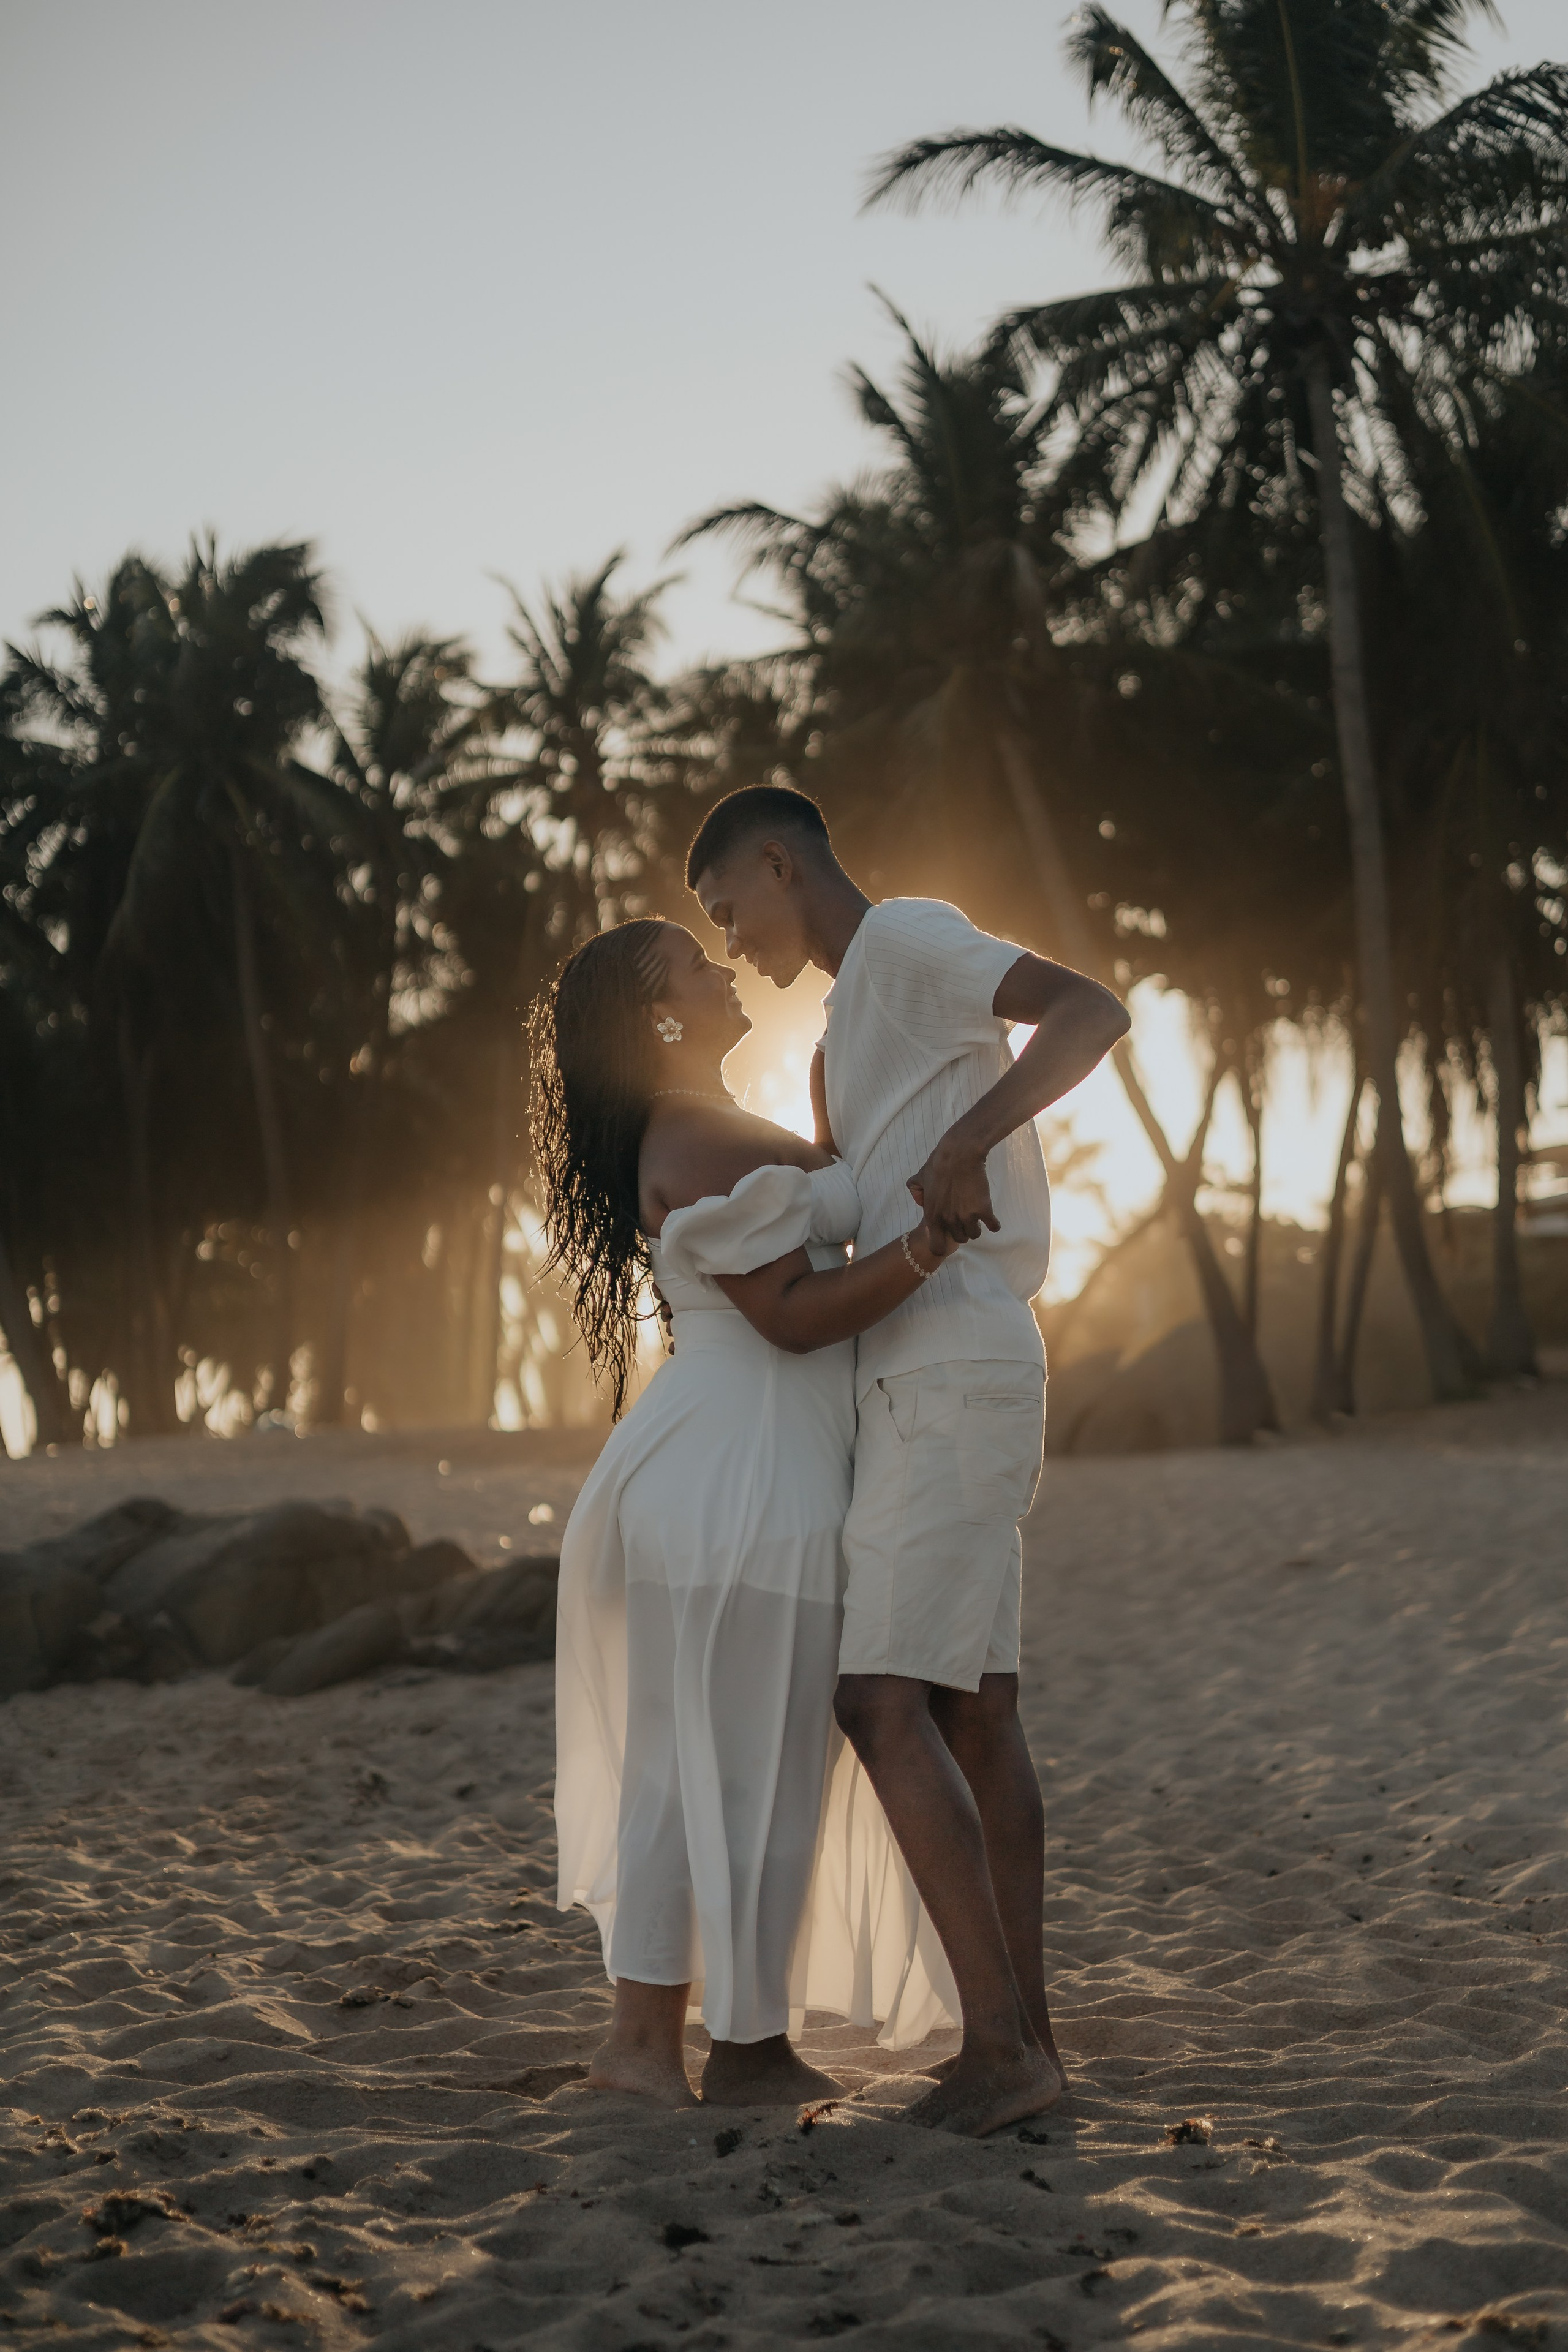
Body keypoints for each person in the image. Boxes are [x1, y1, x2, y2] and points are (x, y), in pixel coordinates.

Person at [689, 784, 1130, 2136]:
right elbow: (845, 1204)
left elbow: (1089, 1011)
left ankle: (999, 2050)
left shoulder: (909, 941)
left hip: (953, 1363)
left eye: (728, 912)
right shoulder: (837, 1039)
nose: (729, 945)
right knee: (975, 1712)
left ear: (780, 864)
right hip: (926, 1374)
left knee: (879, 1702)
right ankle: (1027, 2045)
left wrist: (966, 1139)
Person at [535, 916, 964, 2110]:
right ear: (659, 1017)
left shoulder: (699, 1125)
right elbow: (788, 1314)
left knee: (689, 1772)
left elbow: (803, 1211)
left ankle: (643, 2044)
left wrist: (827, 1122)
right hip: (749, 1480)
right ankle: (744, 2051)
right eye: (694, 963)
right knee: (759, 1773)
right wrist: (926, 1248)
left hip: (713, 1470)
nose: (720, 967)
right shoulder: (694, 1130)